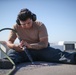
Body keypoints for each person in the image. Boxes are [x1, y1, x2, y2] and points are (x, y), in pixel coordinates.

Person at [0, 8, 76, 68]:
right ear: (18, 22)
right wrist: (14, 46)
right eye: (23, 24)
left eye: (28, 23)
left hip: (42, 50)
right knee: (13, 54)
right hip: (24, 51)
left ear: (33, 19)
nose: (26, 26)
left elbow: (44, 44)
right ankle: (7, 63)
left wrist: (30, 46)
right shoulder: (15, 27)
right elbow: (9, 42)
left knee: (58, 54)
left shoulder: (40, 25)